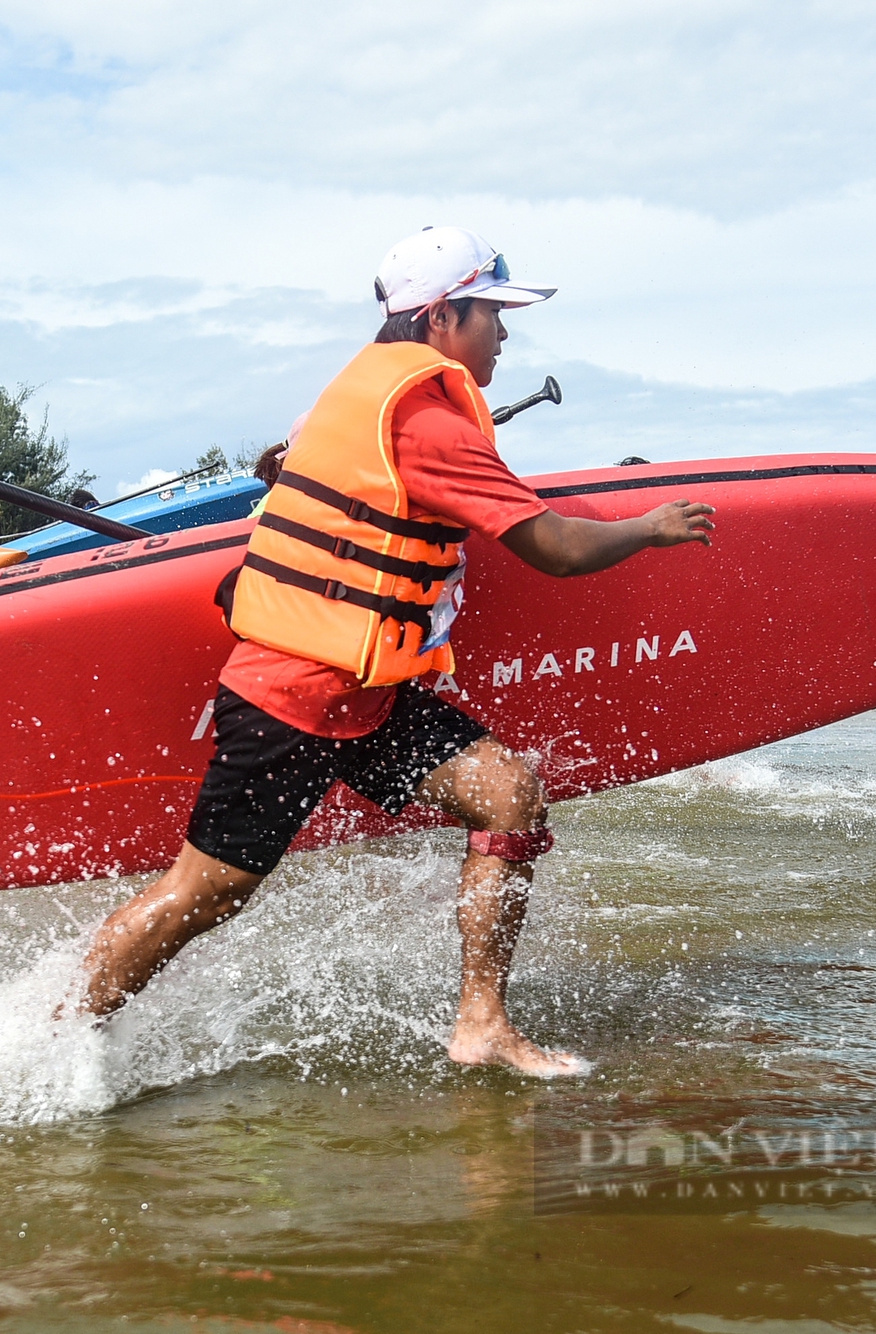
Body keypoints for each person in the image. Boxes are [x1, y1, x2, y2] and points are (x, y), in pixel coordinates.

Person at [71, 227, 715, 1076]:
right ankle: (52, 1038)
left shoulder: (347, 398)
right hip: (290, 699)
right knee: (207, 895)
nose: (505, 335)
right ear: (443, 314)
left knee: (508, 798)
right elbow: (552, 547)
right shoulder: (427, 425)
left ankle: (482, 1026)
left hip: (367, 695)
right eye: (493, 314)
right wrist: (651, 528)